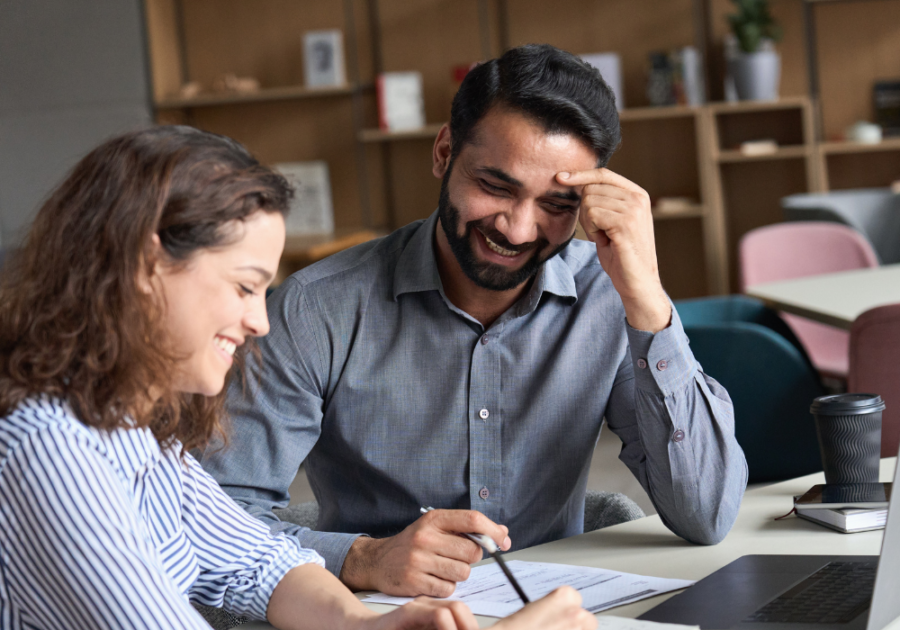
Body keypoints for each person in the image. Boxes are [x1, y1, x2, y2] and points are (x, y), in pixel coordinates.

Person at [199, 43, 748, 599]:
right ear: (443, 152)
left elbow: (706, 513)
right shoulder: (316, 310)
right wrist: (363, 558)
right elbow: (210, 526)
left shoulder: (609, 297)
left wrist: (648, 299)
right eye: (495, 186)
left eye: (557, 206)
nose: (517, 228)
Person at [0, 126, 594, 630]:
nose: (259, 321)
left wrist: (367, 626)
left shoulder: (129, 426)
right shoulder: (52, 447)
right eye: (243, 286)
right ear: (149, 267)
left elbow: (256, 562)